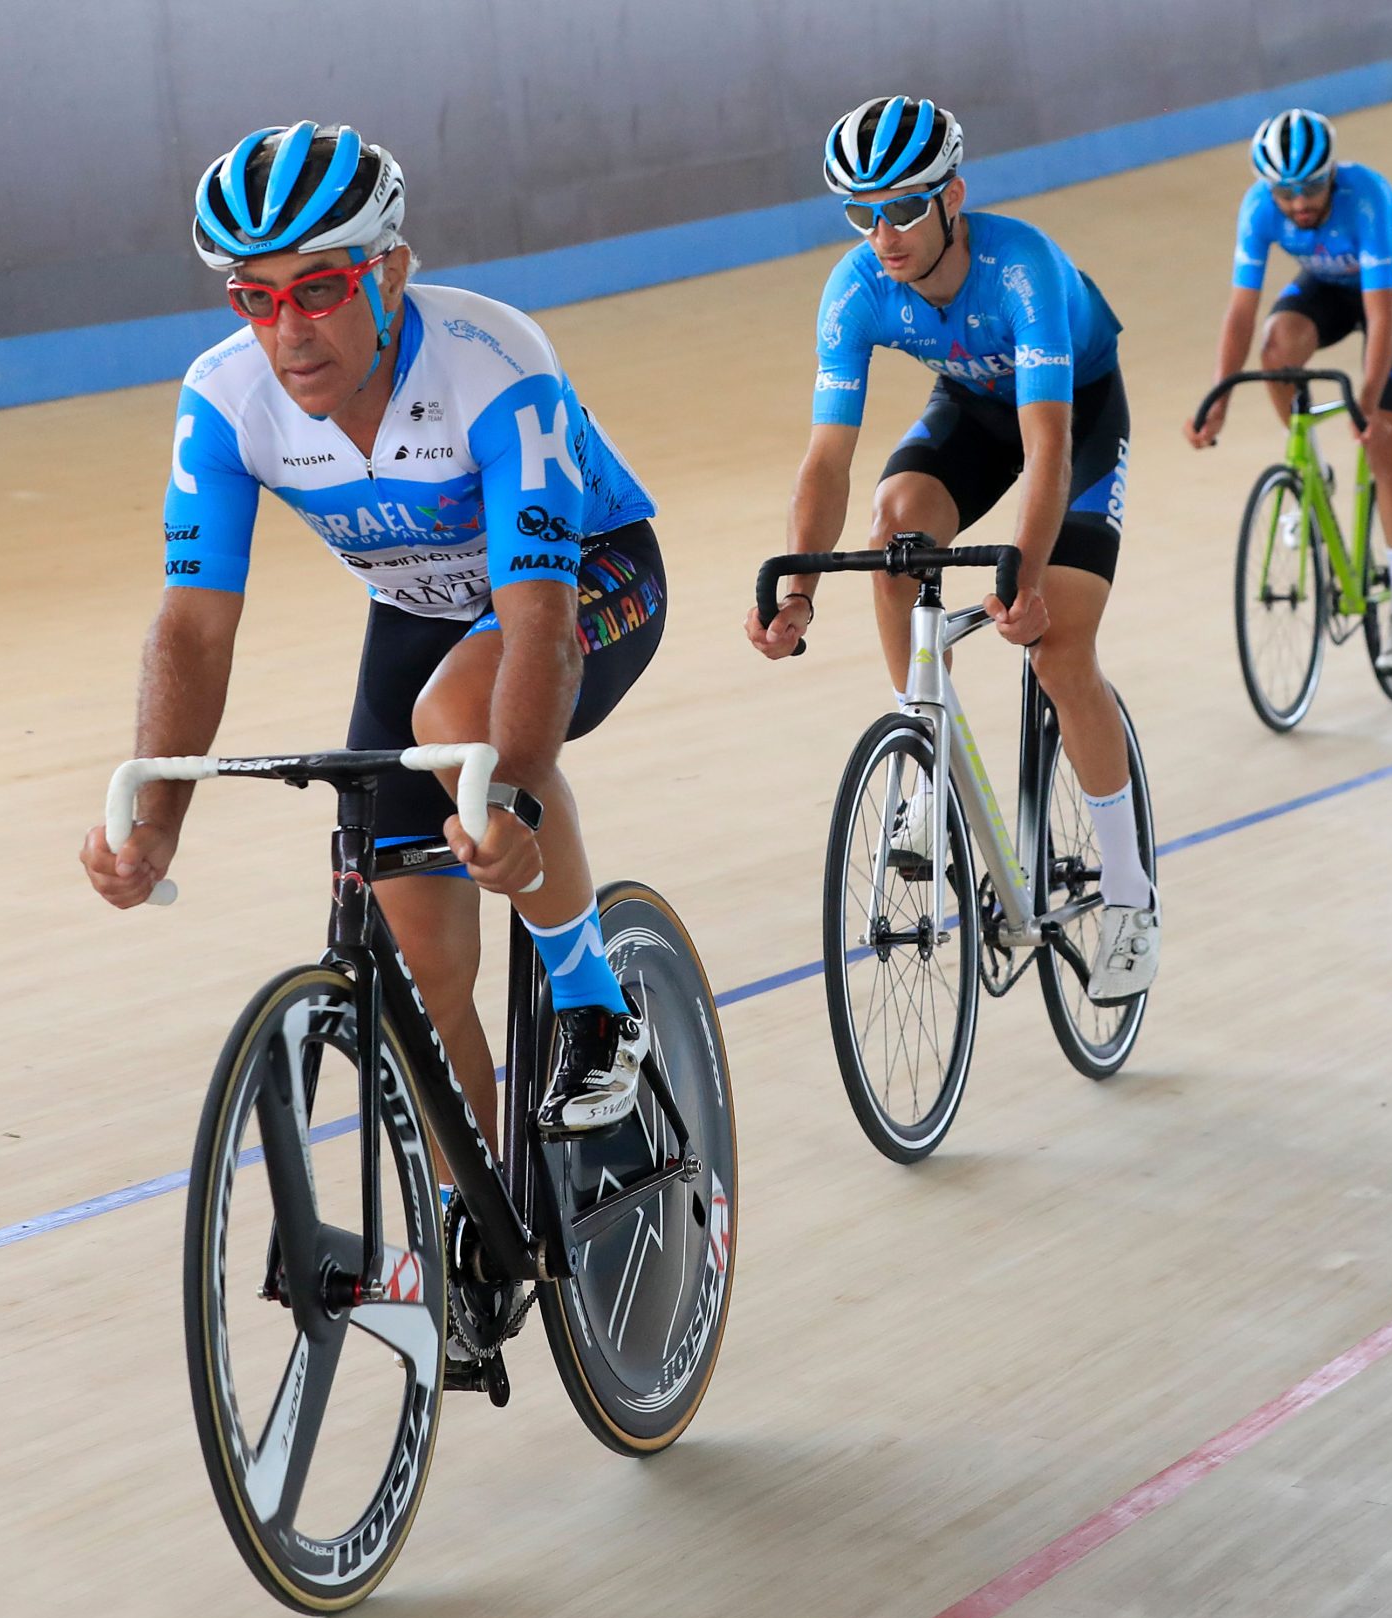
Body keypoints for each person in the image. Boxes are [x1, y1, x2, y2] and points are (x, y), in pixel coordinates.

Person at [79, 122, 669, 1137]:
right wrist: (160, 817)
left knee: (457, 719)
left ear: (389, 274)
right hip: (420, 613)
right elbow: (191, 632)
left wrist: (513, 801)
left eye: (318, 290)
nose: (288, 331)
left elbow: (537, 626)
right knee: (419, 971)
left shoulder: (492, 364)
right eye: (255, 298)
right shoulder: (223, 400)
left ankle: (593, 1007)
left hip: (587, 577)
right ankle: (470, 1221)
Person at [747, 95, 1159, 1001]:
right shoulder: (856, 288)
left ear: (952, 199)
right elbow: (828, 459)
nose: (882, 235)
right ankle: (925, 764)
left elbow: (1048, 452)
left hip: (1074, 418)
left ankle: (1131, 896)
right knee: (894, 533)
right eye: (862, 213)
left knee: (1059, 648)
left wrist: (1025, 577)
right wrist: (800, 587)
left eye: (901, 209)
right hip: (974, 412)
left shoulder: (1023, 271)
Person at [1186, 108, 1392, 673]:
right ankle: (1311, 474)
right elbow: (1241, 313)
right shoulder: (1256, 209)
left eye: (1312, 188)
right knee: (1275, 353)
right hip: (1325, 289)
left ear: (1332, 173)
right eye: (1286, 192)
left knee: (1383, 441)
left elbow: (1382, 316)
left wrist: (1367, 401)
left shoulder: (1366, 197)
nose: (1299, 203)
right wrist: (1219, 397)